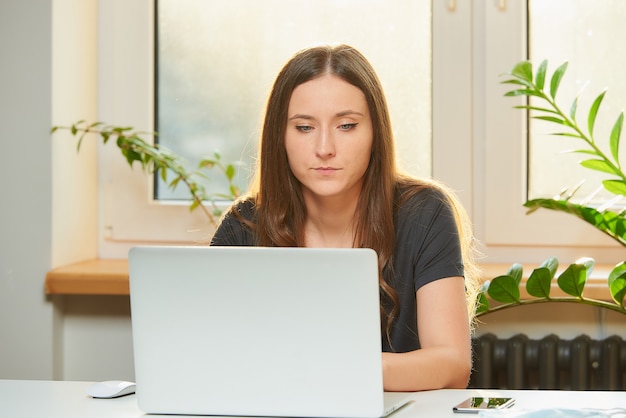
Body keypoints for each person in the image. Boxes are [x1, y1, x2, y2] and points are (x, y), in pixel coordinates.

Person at [210, 44, 481, 392]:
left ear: (375, 134)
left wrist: (328, 369)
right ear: (281, 137)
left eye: (347, 125)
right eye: (305, 128)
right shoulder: (243, 224)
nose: (325, 148)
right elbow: (213, 355)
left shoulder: (424, 212)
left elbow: (451, 364)